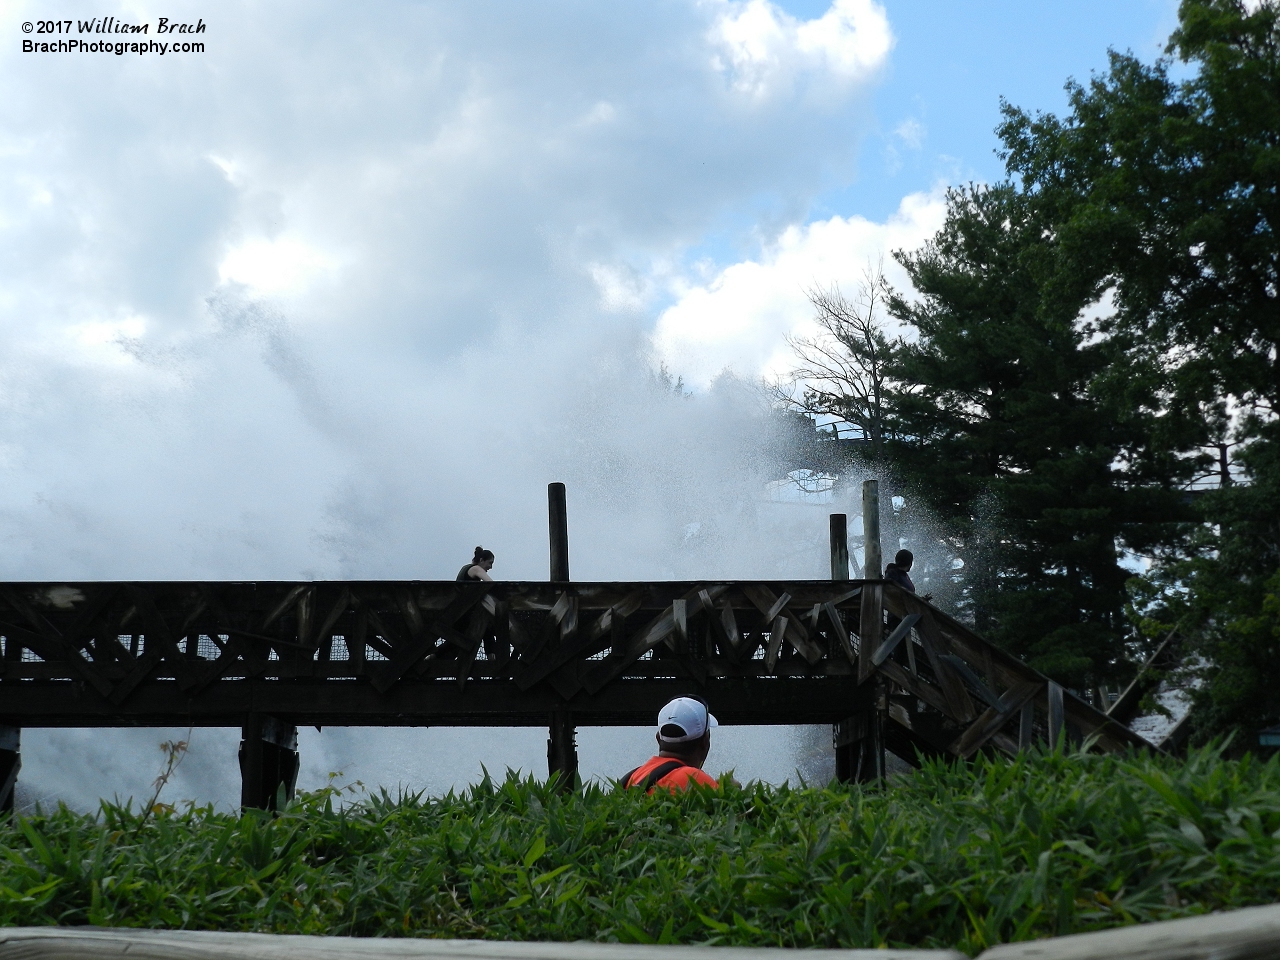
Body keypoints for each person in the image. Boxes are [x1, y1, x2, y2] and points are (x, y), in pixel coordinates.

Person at [622, 696, 721, 793]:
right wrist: (733, 789)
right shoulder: (695, 781)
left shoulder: (631, 778)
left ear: (658, 738)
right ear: (705, 741)